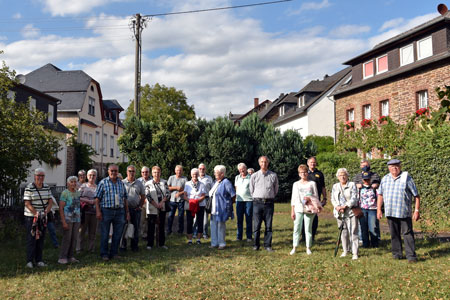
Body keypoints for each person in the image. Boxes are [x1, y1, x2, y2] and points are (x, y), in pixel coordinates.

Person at [377, 159, 420, 263]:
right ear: (388, 168)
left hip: (403, 212)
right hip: (390, 212)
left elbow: (416, 195)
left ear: (400, 167)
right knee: (394, 234)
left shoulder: (407, 178)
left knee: (407, 234)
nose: (394, 168)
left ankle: (411, 256)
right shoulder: (385, 179)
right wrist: (379, 209)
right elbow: (380, 194)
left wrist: (416, 210)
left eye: (396, 166)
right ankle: (397, 254)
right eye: (392, 166)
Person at [95, 164, 130, 261]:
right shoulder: (103, 182)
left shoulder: (121, 183)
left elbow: (125, 199)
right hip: (106, 211)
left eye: (116, 171)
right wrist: (98, 211)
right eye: (112, 171)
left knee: (117, 234)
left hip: (119, 211)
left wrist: (127, 212)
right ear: (108, 171)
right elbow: (97, 199)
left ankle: (114, 253)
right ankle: (104, 254)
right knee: (105, 233)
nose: (114, 173)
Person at [23, 168, 53, 268]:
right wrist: (36, 213)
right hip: (31, 217)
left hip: (43, 217)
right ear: (35, 176)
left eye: (42, 175)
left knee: (41, 238)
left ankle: (39, 260)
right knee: (31, 238)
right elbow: (27, 203)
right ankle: (29, 261)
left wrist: (46, 212)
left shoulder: (47, 187)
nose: (40, 177)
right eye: (38, 175)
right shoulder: (29, 187)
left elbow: (50, 201)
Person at [290, 164, 322, 255]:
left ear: (307, 173)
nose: (303, 174)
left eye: (304, 172)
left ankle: (308, 247)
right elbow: (293, 198)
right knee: (297, 228)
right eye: (301, 172)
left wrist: (309, 198)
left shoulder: (312, 183)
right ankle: (294, 247)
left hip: (309, 208)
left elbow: (316, 196)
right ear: (299, 174)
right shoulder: (295, 184)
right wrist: (292, 210)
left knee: (308, 228)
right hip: (298, 208)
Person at [249, 156, 279, 252]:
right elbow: (251, 189)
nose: (264, 164)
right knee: (256, 226)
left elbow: (276, 189)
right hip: (257, 203)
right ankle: (256, 245)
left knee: (268, 226)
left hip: (269, 203)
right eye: (262, 162)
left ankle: (267, 245)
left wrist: (269, 196)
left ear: (268, 163)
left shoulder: (273, 175)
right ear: (259, 163)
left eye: (265, 162)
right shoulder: (254, 176)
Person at [331, 168, 359, 260]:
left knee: (353, 232)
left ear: (347, 176)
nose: (342, 177)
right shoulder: (335, 186)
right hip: (339, 213)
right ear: (337, 177)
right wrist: (337, 207)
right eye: (340, 175)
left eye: (344, 175)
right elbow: (333, 199)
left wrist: (345, 206)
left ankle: (355, 252)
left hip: (350, 212)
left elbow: (354, 198)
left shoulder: (352, 185)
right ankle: (345, 250)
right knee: (343, 232)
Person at [353, 159, 381, 242]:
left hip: (373, 206)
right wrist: (357, 185)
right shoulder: (357, 176)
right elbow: (353, 185)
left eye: (366, 165)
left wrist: (375, 185)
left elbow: (378, 183)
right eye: (362, 166)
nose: (364, 167)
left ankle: (376, 240)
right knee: (362, 225)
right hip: (362, 206)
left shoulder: (375, 175)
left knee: (373, 224)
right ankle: (363, 240)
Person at [209, 165, 235, 250]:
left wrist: (228, 205)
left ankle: (222, 243)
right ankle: (214, 243)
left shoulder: (226, 182)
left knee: (220, 226)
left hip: (221, 208)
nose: (215, 174)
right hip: (214, 208)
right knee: (213, 225)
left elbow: (233, 195)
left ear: (222, 173)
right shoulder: (215, 182)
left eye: (216, 173)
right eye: (215, 172)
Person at [302, 157, 327, 242]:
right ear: (308, 163)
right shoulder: (305, 173)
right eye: (311, 162)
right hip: (305, 199)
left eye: (314, 162)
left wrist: (325, 198)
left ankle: (312, 237)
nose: (313, 164)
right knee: (304, 217)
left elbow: (323, 187)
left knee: (314, 219)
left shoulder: (319, 174)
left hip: (316, 200)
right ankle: (303, 238)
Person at [121, 165, 145, 252]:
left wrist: (140, 206)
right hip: (124, 209)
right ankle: (123, 246)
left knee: (135, 227)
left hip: (135, 209)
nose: (131, 173)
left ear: (135, 172)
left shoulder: (139, 183)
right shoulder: (122, 182)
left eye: (133, 171)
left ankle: (134, 246)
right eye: (130, 171)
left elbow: (143, 196)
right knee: (123, 227)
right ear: (127, 172)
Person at [145, 166, 170, 250]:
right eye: (155, 172)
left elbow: (168, 194)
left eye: (158, 172)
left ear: (160, 173)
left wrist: (162, 202)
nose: (156, 174)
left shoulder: (164, 182)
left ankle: (161, 243)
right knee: (151, 226)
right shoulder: (148, 183)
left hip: (162, 207)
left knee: (161, 226)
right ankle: (150, 244)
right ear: (152, 173)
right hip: (152, 207)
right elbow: (147, 196)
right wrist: (156, 204)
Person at [58, 176, 81, 264]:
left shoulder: (78, 193)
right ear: (68, 183)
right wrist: (63, 221)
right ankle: (63, 257)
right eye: (72, 182)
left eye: (75, 182)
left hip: (77, 218)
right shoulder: (65, 193)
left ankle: (71, 256)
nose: (73, 183)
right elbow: (61, 208)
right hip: (68, 219)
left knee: (74, 238)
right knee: (67, 238)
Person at [183, 168, 207, 245]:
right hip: (190, 204)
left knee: (200, 221)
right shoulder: (187, 184)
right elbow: (184, 195)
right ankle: (190, 239)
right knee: (189, 222)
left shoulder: (202, 184)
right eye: (193, 174)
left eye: (196, 174)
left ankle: (198, 239)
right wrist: (191, 201)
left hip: (200, 205)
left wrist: (197, 201)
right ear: (191, 175)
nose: (195, 176)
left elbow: (203, 195)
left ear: (198, 175)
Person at [77, 169, 98, 253]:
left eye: (93, 175)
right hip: (84, 212)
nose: (92, 177)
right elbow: (77, 197)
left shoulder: (98, 187)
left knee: (92, 232)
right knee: (81, 231)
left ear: (96, 177)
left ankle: (91, 249)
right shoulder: (83, 186)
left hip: (94, 212)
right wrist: (88, 201)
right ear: (87, 176)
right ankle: (79, 249)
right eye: (90, 175)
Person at [358, 171, 379, 248]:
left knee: (373, 227)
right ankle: (365, 243)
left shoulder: (374, 188)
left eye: (368, 179)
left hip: (372, 209)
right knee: (363, 227)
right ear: (362, 180)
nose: (366, 181)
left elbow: (379, 198)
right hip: (362, 209)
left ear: (370, 179)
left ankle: (375, 243)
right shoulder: (359, 189)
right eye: (365, 179)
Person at [234, 162, 253, 242]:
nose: (242, 170)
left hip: (249, 200)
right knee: (239, 219)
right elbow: (236, 188)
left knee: (248, 218)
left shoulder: (251, 177)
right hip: (239, 201)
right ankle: (239, 237)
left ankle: (249, 237)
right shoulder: (237, 177)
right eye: (240, 169)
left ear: (246, 168)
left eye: (243, 169)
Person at [194, 163, 213, 239]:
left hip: (206, 199)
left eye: (203, 169)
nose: (201, 170)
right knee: (195, 217)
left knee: (205, 217)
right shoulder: (195, 177)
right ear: (198, 169)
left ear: (205, 169)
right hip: (196, 200)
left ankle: (205, 233)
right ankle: (195, 233)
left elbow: (212, 189)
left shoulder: (209, 178)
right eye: (200, 168)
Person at [167, 165, 187, 235]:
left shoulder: (184, 179)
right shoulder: (171, 178)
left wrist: (180, 193)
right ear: (175, 171)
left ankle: (180, 231)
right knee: (170, 216)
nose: (179, 172)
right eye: (178, 170)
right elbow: (167, 188)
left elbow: (186, 190)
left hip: (181, 200)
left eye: (180, 170)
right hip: (172, 200)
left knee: (181, 216)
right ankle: (169, 231)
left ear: (182, 171)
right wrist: (176, 188)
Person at [138, 166, 152, 239]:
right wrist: (143, 199)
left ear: (149, 173)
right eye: (143, 172)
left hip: (152, 203)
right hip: (142, 203)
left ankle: (151, 234)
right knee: (143, 219)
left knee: (150, 219)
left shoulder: (153, 180)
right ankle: (144, 234)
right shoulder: (138, 181)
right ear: (141, 173)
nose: (145, 173)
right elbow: (137, 193)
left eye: (146, 172)